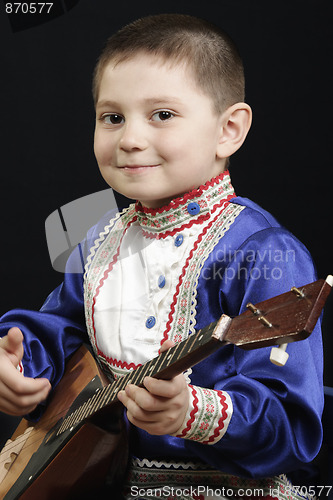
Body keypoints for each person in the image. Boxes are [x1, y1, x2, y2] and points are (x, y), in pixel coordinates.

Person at [0, 13, 323, 499]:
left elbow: (291, 423)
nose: (129, 138)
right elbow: (58, 329)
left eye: (162, 115)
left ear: (228, 130)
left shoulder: (261, 252)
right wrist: (20, 361)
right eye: (112, 117)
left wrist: (190, 413)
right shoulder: (101, 240)